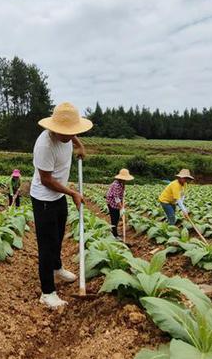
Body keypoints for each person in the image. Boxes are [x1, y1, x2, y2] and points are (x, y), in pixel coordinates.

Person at [30, 102, 92, 309]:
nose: (68, 136)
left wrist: (79, 145)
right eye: (64, 133)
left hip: (58, 197)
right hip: (44, 199)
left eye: (71, 132)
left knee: (58, 236)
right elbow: (46, 179)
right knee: (46, 246)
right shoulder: (45, 145)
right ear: (54, 128)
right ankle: (47, 293)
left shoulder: (67, 135)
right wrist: (72, 192)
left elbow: (71, 136)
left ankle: (57, 268)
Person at [106, 168, 134, 238]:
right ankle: (114, 234)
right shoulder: (116, 185)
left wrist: (123, 194)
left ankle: (115, 232)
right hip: (112, 203)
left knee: (117, 217)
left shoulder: (122, 183)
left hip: (117, 202)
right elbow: (116, 198)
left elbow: (121, 194)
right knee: (114, 218)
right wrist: (121, 208)